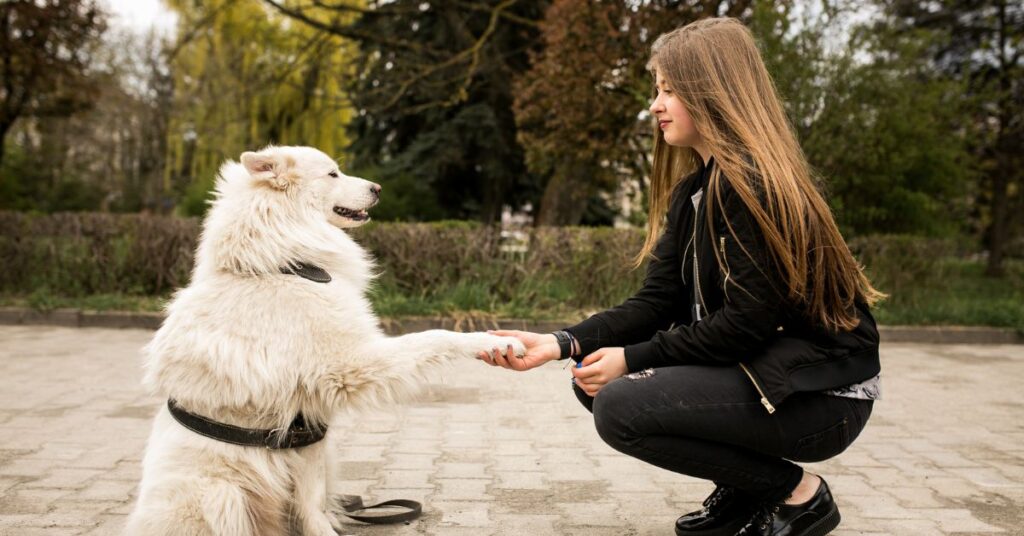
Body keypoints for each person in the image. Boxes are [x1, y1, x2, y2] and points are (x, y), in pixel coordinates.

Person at [478, 17, 884, 536]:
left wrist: (634, 358)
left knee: (621, 402)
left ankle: (798, 495)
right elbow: (657, 301)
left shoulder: (755, 187)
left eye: (669, 90)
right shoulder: (696, 191)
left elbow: (744, 325)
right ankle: (746, 492)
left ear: (712, 92)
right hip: (774, 377)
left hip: (823, 398)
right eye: (657, 90)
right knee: (596, 382)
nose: (655, 105)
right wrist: (562, 343)